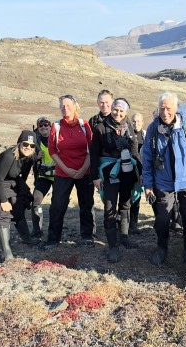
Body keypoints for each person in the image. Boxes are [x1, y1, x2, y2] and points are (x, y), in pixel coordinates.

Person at [141, 91, 186, 266]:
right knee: (163, 218)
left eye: (168, 108)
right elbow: (147, 158)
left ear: (176, 108)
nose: (165, 112)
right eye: (162, 108)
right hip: (163, 182)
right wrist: (148, 185)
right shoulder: (153, 129)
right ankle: (161, 247)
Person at [92, 98, 141, 262]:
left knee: (125, 205)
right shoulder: (100, 128)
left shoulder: (129, 126)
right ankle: (113, 247)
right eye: (115, 109)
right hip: (109, 173)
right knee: (109, 207)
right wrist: (95, 176)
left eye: (121, 111)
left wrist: (141, 172)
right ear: (111, 108)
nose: (118, 113)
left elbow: (134, 150)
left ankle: (124, 237)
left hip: (127, 172)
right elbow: (94, 154)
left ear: (125, 112)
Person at [0, 131, 38, 261]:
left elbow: (23, 176)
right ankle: (6, 252)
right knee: (2, 213)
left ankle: (27, 238)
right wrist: (4, 200)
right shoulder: (9, 156)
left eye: (32, 145)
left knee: (18, 209)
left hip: (13, 180)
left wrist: (20, 191)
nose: (28, 147)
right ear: (19, 143)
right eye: (25, 144)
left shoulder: (30, 157)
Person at [45, 95, 95, 247]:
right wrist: (66, 169)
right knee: (57, 206)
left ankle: (87, 236)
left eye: (68, 105)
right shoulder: (56, 127)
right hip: (63, 173)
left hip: (84, 172)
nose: (64, 108)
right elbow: (52, 151)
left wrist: (83, 169)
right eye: (62, 106)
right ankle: (53, 239)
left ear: (75, 106)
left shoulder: (84, 125)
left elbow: (91, 149)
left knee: (86, 204)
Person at [30, 116, 56, 239]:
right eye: (41, 125)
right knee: (36, 201)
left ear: (51, 126)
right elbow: (26, 157)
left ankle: (55, 232)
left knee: (56, 204)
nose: (44, 127)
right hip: (43, 176)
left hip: (59, 176)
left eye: (46, 125)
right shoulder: (34, 141)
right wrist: (35, 157)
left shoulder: (58, 138)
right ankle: (37, 231)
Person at [128, 111, 145, 232]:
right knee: (127, 197)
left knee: (137, 197)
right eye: (134, 121)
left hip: (141, 170)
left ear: (142, 122)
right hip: (129, 170)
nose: (136, 123)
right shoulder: (128, 134)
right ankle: (126, 222)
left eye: (138, 121)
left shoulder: (145, 135)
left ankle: (134, 222)